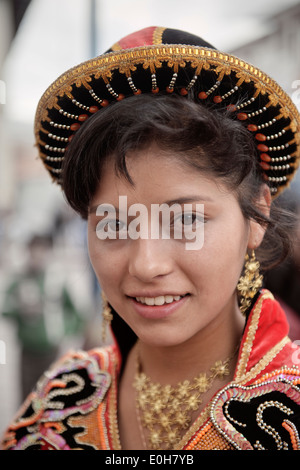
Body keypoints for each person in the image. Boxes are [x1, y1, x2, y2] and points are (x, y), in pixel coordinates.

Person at [1, 26, 300, 451]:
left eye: (186, 220)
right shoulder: (59, 401)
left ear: (257, 215)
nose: (146, 264)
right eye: (115, 225)